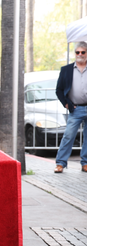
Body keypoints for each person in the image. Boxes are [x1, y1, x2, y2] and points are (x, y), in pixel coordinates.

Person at [54, 42, 87, 173]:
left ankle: (86, 163)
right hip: (76, 108)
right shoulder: (66, 70)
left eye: (83, 52)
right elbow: (59, 90)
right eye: (77, 52)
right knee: (68, 136)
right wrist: (66, 104)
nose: (80, 54)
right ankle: (60, 163)